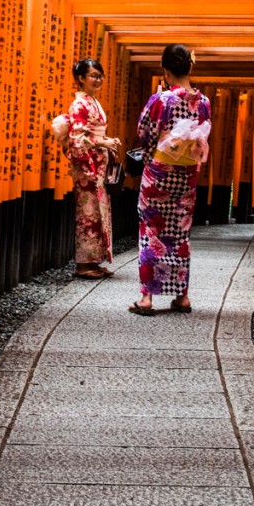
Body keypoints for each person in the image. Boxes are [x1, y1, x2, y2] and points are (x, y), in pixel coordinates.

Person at [129, 44, 211, 315]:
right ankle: (182, 296)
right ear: (190, 66)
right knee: (180, 233)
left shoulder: (161, 100)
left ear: (164, 69)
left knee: (151, 231)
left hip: (159, 175)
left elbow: (145, 133)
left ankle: (147, 298)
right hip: (187, 176)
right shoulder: (204, 103)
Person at [64, 58, 121, 279]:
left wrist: (107, 140)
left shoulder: (92, 102)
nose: (98, 80)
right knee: (88, 215)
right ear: (80, 78)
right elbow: (77, 139)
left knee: (99, 214)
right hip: (87, 169)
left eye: (100, 75)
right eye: (93, 75)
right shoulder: (79, 104)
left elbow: (93, 134)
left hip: (99, 167)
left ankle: (94, 261)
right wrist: (102, 142)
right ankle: (83, 265)